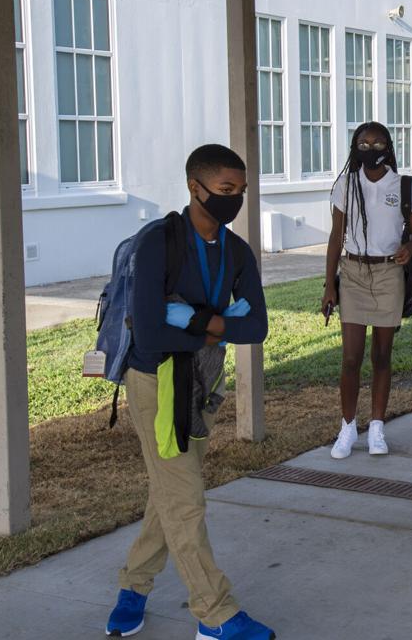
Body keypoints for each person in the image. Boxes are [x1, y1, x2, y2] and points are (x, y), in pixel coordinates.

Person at [106, 144, 274, 640]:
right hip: (156, 381)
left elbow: (258, 327)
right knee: (184, 499)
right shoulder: (158, 242)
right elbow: (152, 335)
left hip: (203, 379)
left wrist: (195, 321)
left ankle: (133, 588)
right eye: (226, 190)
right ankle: (215, 614)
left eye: (240, 191)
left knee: (171, 491)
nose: (234, 200)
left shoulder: (236, 251)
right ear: (194, 187)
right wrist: (221, 323)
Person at [322, 122, 412, 459]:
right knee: (350, 358)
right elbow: (336, 237)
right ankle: (347, 427)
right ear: (355, 147)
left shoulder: (403, 185)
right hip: (352, 273)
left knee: (381, 356)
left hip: (388, 274)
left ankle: (377, 428)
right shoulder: (346, 185)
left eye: (378, 142)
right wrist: (329, 286)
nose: (371, 148)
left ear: (389, 147)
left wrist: (410, 247)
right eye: (363, 143)